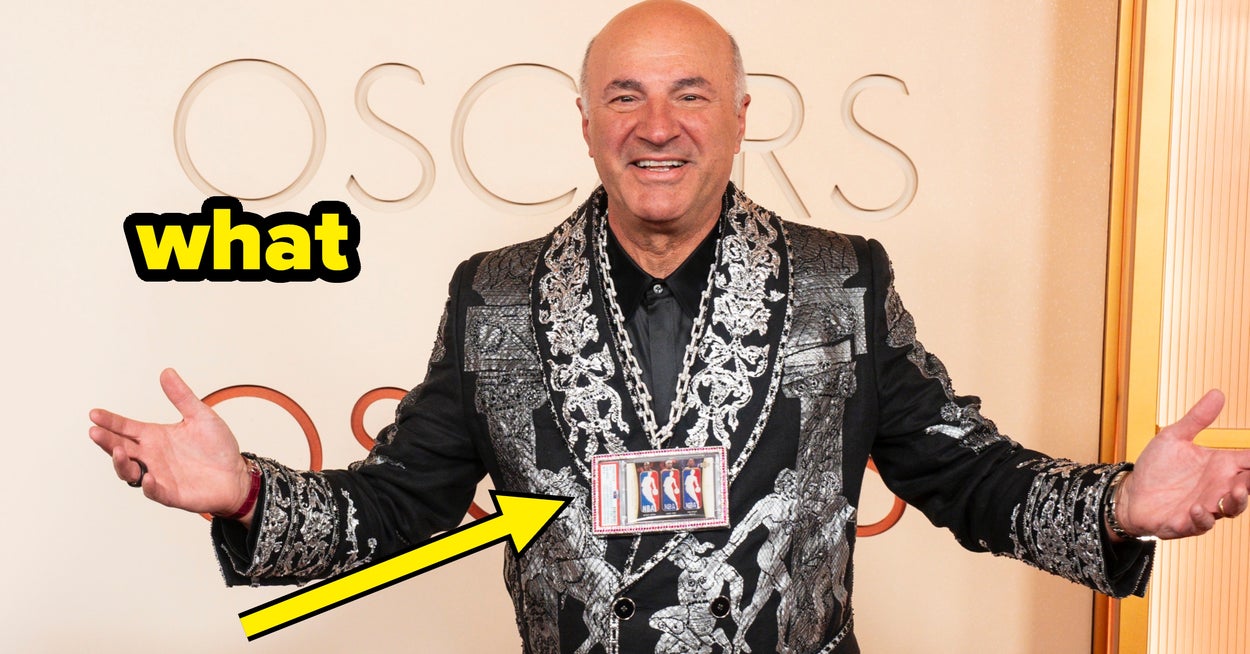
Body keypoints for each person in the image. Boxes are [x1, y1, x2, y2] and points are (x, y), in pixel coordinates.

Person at [88, 1, 1250, 652]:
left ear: (738, 117)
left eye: (689, 94)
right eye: (626, 96)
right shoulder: (496, 295)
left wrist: (1115, 505)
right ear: (585, 121)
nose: (658, 126)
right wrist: (246, 495)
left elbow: (968, 478)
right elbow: (400, 507)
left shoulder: (839, 282)